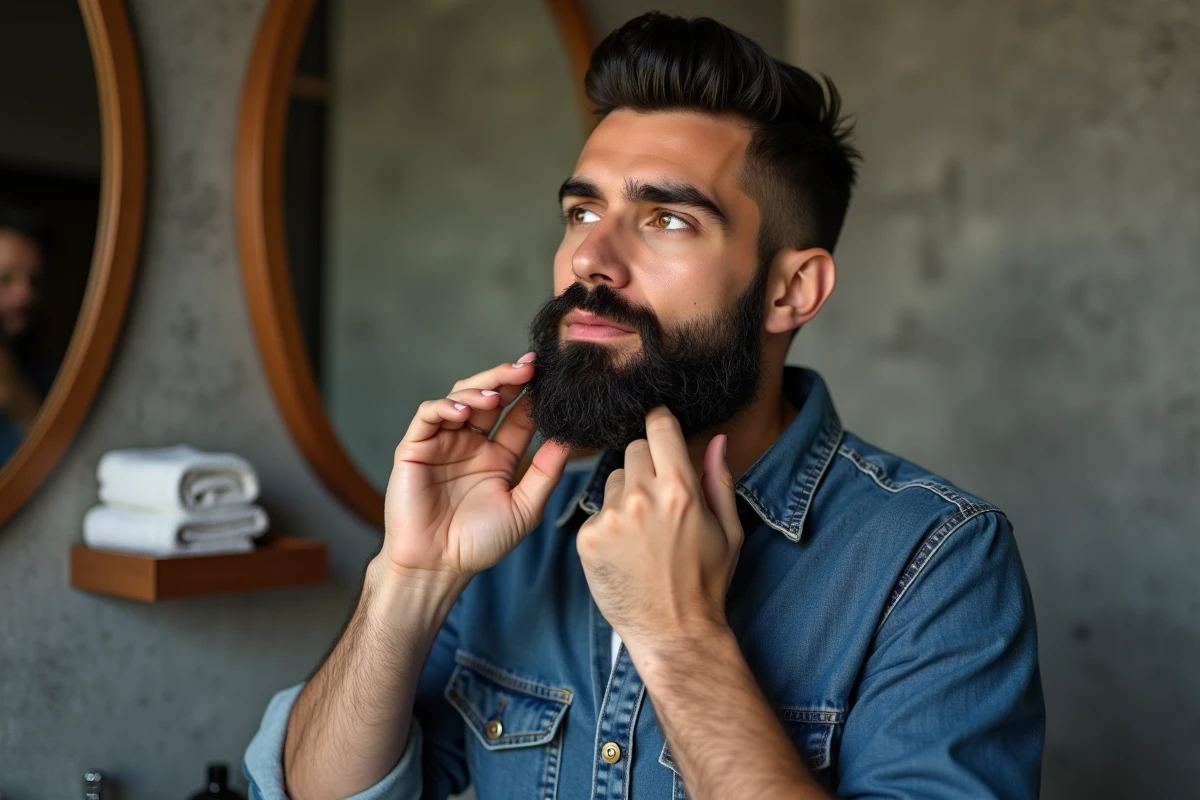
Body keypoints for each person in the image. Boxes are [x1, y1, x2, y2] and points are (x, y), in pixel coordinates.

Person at [245, 13, 1044, 800]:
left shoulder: (935, 561)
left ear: (789, 289)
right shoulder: (517, 538)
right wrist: (412, 580)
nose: (590, 260)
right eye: (582, 212)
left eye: (667, 219)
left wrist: (681, 639)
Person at [0, 202, 53, 464]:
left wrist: (20, 401)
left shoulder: (59, 379)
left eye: (34, 280)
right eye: (6, 279)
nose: (26, 296)